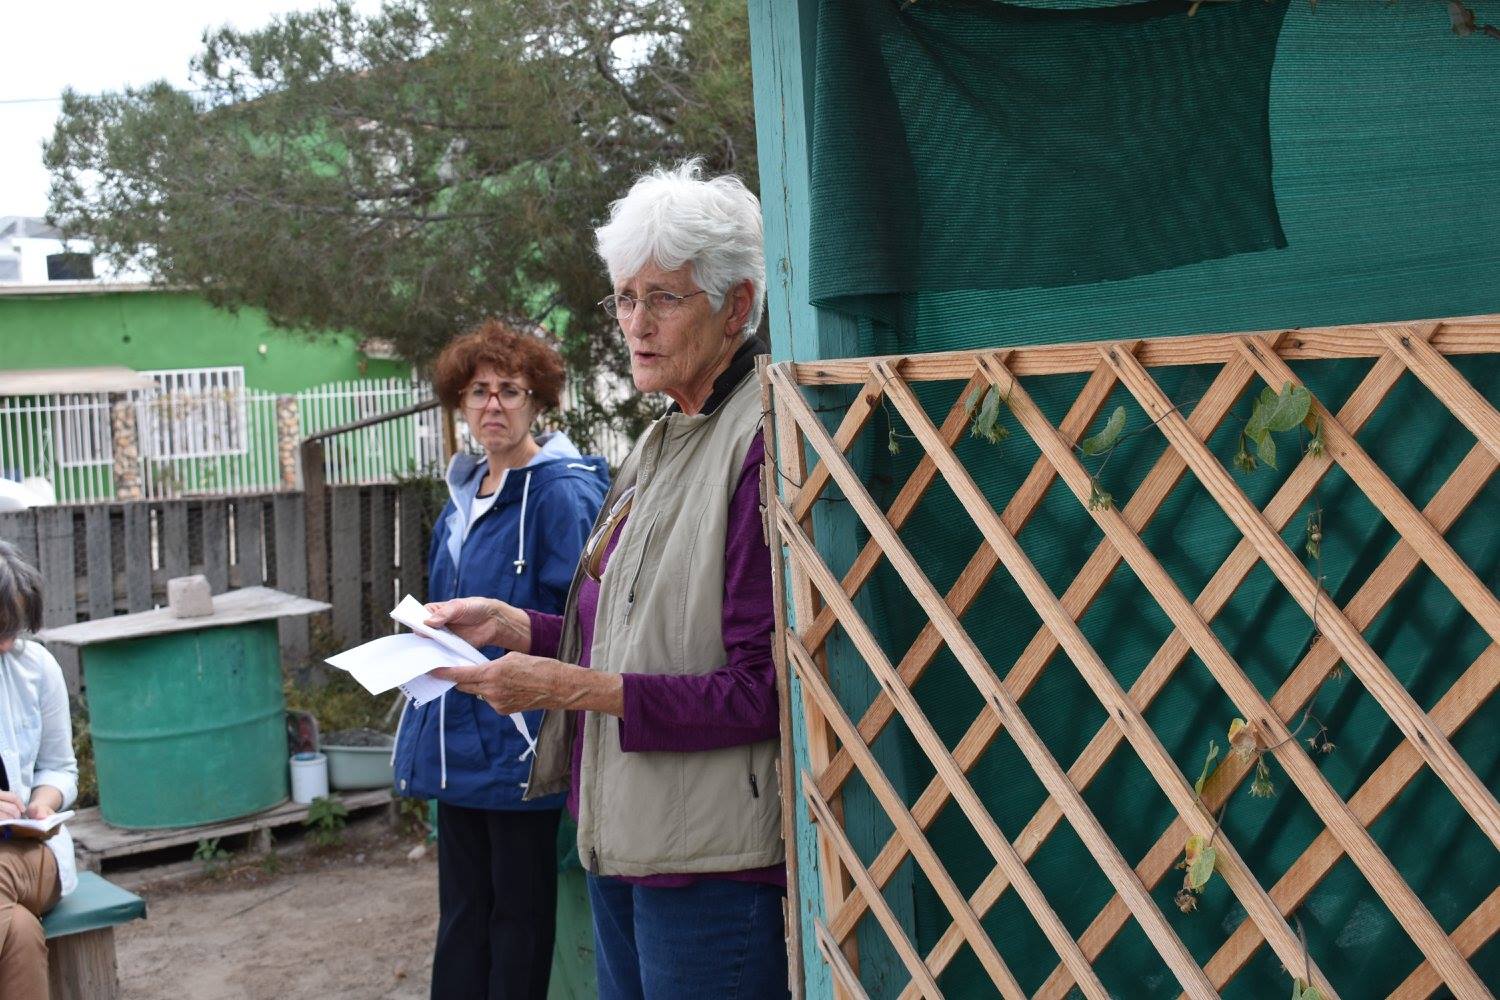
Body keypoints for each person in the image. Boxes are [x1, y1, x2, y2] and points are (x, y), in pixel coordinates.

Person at [428, 160, 787, 1000]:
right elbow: (626, 640)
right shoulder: (662, 442)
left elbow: (761, 691)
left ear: (737, 305)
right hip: (618, 840)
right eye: (625, 298)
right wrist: (516, 627)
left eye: (664, 297)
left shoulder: (758, 442)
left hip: (709, 863)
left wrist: (571, 688)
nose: (636, 323)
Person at [391, 320, 609, 1000]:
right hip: (457, 744)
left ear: (537, 402)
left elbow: (584, 621)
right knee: (462, 917)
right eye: (478, 391)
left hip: (519, 742)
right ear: (459, 403)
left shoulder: (561, 493)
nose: (493, 405)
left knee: (517, 920)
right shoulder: (461, 496)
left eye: (510, 390)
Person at [0, 539, 79, 1000]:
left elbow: (60, 767)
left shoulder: (36, 667)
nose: (11, 642)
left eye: (16, 627)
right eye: (1, 627)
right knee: (20, 932)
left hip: (31, 853)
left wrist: (41, 803)